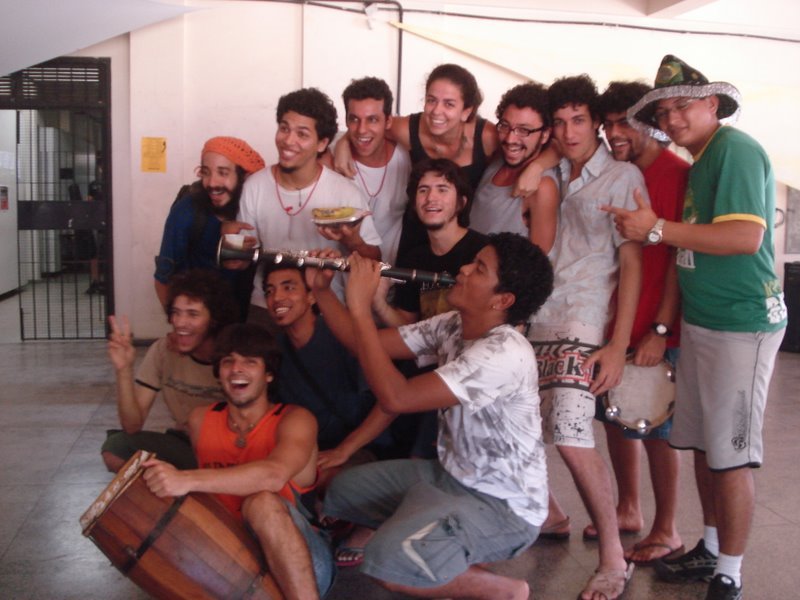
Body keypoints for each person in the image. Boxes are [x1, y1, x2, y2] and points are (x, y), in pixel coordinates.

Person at [610, 54, 787, 600]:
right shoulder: (702, 158)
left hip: (742, 322)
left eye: (682, 106)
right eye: (663, 112)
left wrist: (656, 229)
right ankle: (710, 547)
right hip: (705, 322)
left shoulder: (735, 150)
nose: (672, 118)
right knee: (708, 449)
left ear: (713, 104)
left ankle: (730, 573)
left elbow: (744, 238)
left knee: (730, 455)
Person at [313, 232, 553, 600]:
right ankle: (438, 539)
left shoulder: (504, 353)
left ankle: (505, 591)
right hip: (450, 476)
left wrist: (360, 307)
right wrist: (322, 292)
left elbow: (397, 398)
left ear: (502, 300)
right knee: (341, 491)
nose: (463, 269)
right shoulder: (454, 323)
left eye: (479, 269)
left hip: (505, 508)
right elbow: (364, 345)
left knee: (387, 563)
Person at [527, 74, 644, 600]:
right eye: (560, 122)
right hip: (540, 314)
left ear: (596, 122)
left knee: (573, 438)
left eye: (579, 120)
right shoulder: (553, 172)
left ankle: (614, 559)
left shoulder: (622, 176)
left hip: (584, 318)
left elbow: (632, 263)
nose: (570, 131)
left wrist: (617, 344)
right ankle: (550, 514)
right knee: (526, 425)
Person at [577, 80, 690, 565]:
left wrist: (660, 330)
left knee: (658, 429)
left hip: (657, 328)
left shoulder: (676, 174)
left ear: (650, 123)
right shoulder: (620, 173)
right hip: (615, 322)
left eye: (624, 122)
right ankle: (628, 508)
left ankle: (667, 529)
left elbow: (681, 259)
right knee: (616, 419)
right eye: (608, 124)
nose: (614, 133)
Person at [141, 323, 334, 599]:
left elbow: (274, 476)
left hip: (304, 565)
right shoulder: (200, 420)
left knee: (261, 502)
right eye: (228, 361)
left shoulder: (295, 419)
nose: (236, 369)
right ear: (218, 372)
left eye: (250, 362)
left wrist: (185, 479)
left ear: (268, 374)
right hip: (233, 561)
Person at [235, 87, 382, 325]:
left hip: (325, 310)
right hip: (267, 307)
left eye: (302, 134)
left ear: (322, 143)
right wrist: (232, 247)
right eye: (284, 128)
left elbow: (375, 260)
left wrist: (352, 241)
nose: (288, 140)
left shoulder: (345, 192)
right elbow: (242, 257)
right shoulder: (254, 186)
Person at [263, 264, 394, 480]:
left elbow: (389, 403)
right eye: (269, 291)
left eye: (289, 288)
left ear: (311, 296)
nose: (277, 298)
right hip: (306, 447)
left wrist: (344, 450)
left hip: (361, 447)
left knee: (321, 479)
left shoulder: (343, 337)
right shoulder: (274, 350)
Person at [102, 269, 239, 472]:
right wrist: (124, 370)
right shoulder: (162, 351)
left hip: (230, 450)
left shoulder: (234, 356)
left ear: (213, 319)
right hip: (185, 444)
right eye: (176, 313)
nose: (180, 322)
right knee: (116, 448)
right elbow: (132, 426)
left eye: (193, 314)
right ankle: (176, 485)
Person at [372, 157, 488, 328]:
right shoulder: (412, 259)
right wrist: (379, 303)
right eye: (423, 190)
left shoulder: (485, 252)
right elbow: (406, 325)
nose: (431, 198)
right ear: (414, 204)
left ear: (461, 203)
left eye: (442, 190)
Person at [154, 136, 265, 310]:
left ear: (244, 177)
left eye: (223, 173)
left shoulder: (257, 208)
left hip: (249, 317)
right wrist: (181, 321)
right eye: (206, 172)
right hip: (199, 320)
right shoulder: (187, 211)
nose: (212, 183)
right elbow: (163, 280)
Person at [471, 81, 559, 254]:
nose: (510, 139)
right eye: (505, 126)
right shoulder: (497, 159)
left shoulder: (543, 187)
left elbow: (537, 260)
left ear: (545, 135)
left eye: (524, 130)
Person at [341, 77, 411, 266]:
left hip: (392, 275)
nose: (362, 130)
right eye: (354, 119)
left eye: (372, 119)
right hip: (340, 277)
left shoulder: (406, 158)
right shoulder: (333, 161)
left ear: (388, 121)